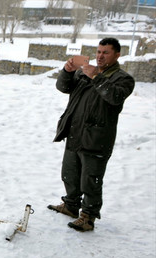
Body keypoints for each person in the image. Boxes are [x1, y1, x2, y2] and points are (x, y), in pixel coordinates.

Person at [48, 38, 135, 232]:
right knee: (69, 174)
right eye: (98, 52)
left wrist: (96, 76)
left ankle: (88, 217)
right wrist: (67, 72)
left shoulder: (123, 79)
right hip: (75, 132)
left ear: (117, 55)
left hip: (97, 138)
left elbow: (114, 97)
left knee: (91, 179)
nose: (100, 56)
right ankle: (71, 206)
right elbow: (63, 87)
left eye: (106, 53)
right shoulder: (84, 73)